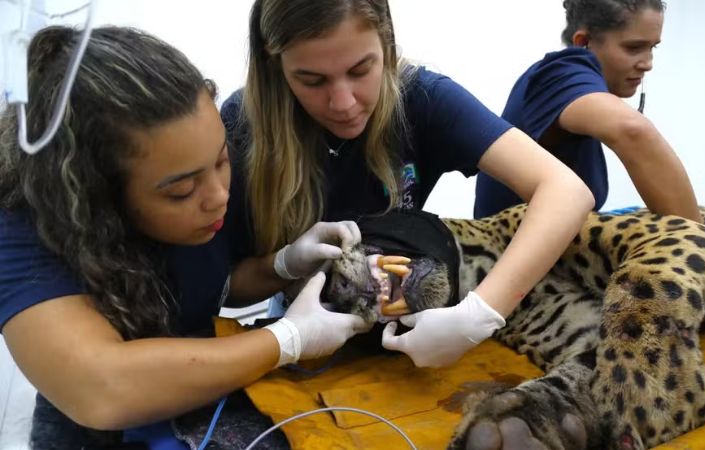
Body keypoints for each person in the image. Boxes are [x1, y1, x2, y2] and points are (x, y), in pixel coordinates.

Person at [0, 26, 370, 449]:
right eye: (181, 191)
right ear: (96, 195)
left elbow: (213, 285)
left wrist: (281, 265)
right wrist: (287, 339)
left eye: (222, 160)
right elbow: (102, 386)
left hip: (202, 400)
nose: (218, 197)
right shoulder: (23, 233)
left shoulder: (204, 187)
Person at [222, 0, 595, 369]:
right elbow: (225, 292)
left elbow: (567, 192)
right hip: (298, 331)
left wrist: (479, 314)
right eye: (312, 80)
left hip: (400, 339)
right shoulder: (242, 126)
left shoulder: (424, 99)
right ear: (276, 66)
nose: (344, 103)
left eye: (360, 69)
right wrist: (283, 266)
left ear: (387, 45)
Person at [474, 0, 702, 222]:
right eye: (634, 48)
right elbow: (631, 129)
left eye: (652, 48)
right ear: (583, 42)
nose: (648, 63)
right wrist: (703, 245)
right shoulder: (560, 75)